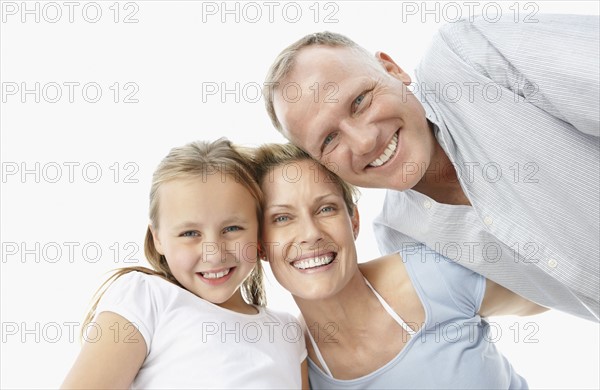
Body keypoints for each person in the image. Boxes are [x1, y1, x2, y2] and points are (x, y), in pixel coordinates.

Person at [262, 15, 599, 321]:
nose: (364, 142)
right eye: (329, 139)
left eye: (360, 101)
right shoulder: (402, 239)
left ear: (393, 70)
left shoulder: (464, 58)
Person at [254, 143, 546, 389]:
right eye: (282, 218)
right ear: (261, 246)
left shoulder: (432, 276)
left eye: (326, 208)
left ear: (353, 221)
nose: (310, 233)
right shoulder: (293, 362)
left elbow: (553, 290)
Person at [61, 139, 308, 389]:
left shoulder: (289, 331)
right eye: (190, 233)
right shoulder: (147, 297)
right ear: (157, 238)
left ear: (258, 231)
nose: (214, 254)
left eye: (232, 228)